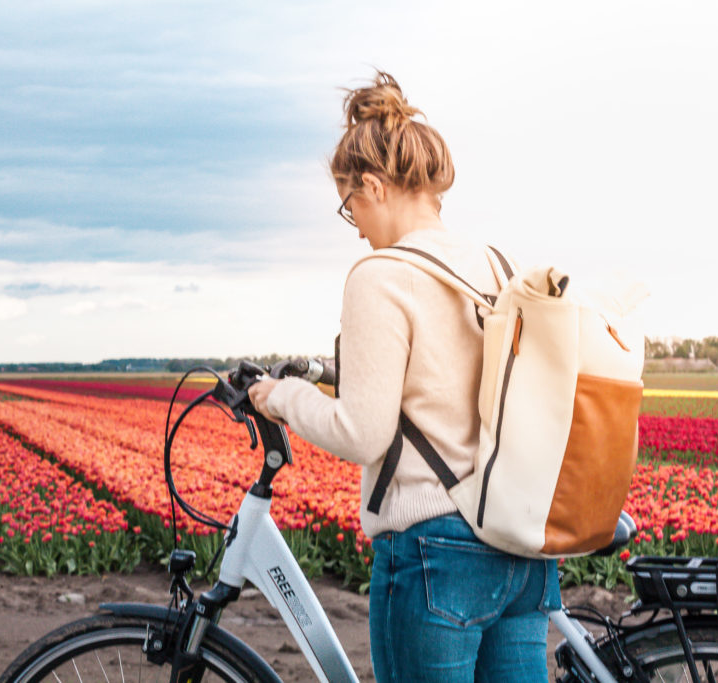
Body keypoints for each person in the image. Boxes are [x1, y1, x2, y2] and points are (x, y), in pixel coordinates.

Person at [248, 71, 561, 683]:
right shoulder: (499, 266)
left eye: (351, 207)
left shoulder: (381, 275)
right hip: (519, 545)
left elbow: (364, 432)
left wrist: (283, 397)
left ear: (373, 185)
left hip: (433, 551)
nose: (358, 228)